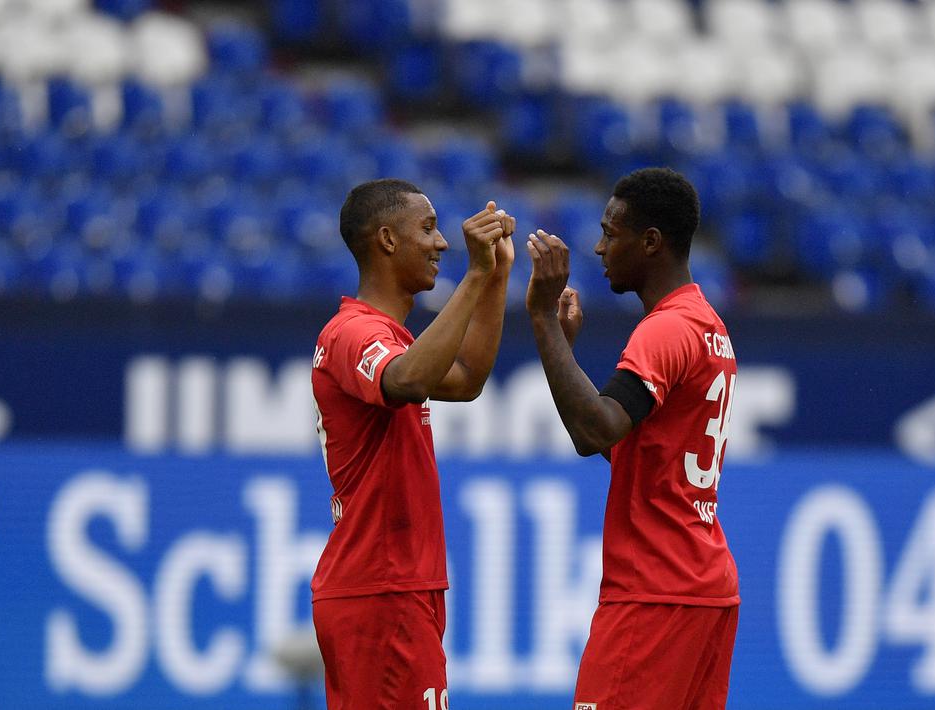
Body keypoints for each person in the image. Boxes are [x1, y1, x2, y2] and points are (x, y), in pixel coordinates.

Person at [524, 167, 740, 710]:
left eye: (610, 233)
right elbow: (618, 443)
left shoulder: (665, 329)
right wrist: (561, 350)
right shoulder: (707, 326)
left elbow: (596, 427)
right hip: (704, 590)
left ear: (650, 242)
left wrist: (543, 320)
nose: (599, 248)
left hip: (655, 592)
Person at [310, 178, 515, 710]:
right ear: (387, 239)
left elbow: (467, 378)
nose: (442, 242)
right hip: (379, 587)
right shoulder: (351, 333)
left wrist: (494, 276)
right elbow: (405, 383)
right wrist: (473, 274)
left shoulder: (393, 337)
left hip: (402, 585)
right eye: (427, 228)